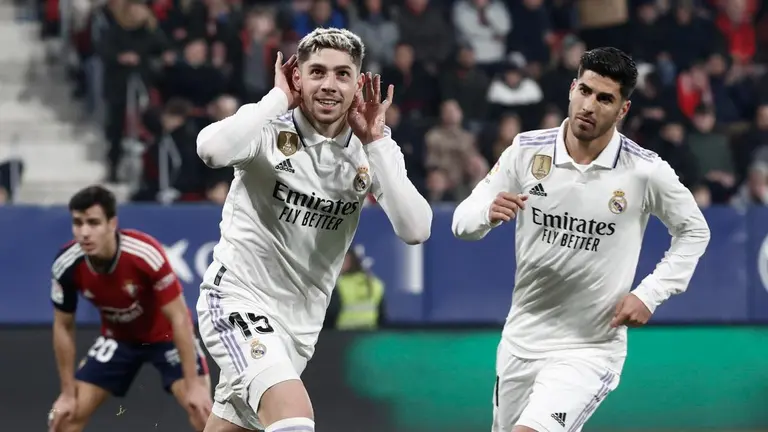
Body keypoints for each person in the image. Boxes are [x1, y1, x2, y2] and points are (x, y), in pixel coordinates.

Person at [452, 47, 710, 432]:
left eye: (605, 98)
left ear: (623, 110)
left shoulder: (645, 170)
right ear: (572, 89)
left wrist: (651, 293)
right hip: (521, 340)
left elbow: (694, 230)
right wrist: (485, 215)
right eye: (585, 91)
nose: (590, 106)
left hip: (588, 348)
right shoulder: (526, 151)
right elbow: (461, 221)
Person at [195, 27, 431, 432]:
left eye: (342, 74)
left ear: (358, 84)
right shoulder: (267, 129)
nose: (329, 85)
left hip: (299, 327)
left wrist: (375, 140)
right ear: (297, 77)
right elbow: (211, 150)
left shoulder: (370, 147)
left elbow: (416, 228)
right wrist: (276, 99)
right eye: (317, 72)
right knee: (294, 418)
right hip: (236, 301)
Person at [47, 185, 212, 432]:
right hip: (119, 339)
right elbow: (63, 325)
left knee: (203, 414)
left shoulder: (144, 254)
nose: (84, 233)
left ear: (112, 223)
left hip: (165, 336)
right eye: (78, 223)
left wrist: (193, 386)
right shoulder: (66, 264)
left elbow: (179, 318)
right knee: (63, 418)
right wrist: (67, 393)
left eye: (93, 223)